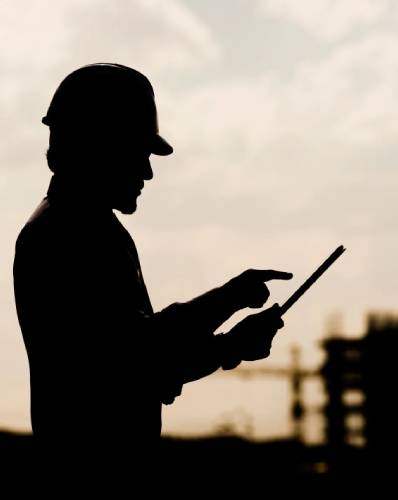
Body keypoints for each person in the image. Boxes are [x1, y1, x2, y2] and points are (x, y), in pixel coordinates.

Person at [12, 63, 292, 469]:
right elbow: (136, 361)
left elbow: (135, 360)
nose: (147, 171)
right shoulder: (69, 235)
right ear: (100, 145)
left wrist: (226, 331)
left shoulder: (81, 228)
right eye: (137, 153)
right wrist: (228, 323)